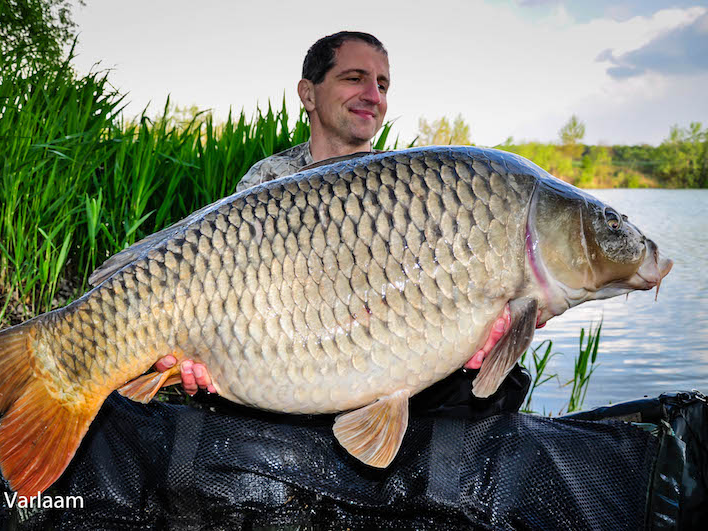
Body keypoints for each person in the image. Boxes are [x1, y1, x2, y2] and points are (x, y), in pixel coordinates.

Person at [158, 30, 515, 404]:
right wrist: (200, 355)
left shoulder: (415, 190)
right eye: (354, 78)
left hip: (385, 361)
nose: (373, 96)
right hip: (287, 362)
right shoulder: (266, 181)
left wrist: (485, 326)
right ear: (308, 93)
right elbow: (225, 298)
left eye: (383, 84)